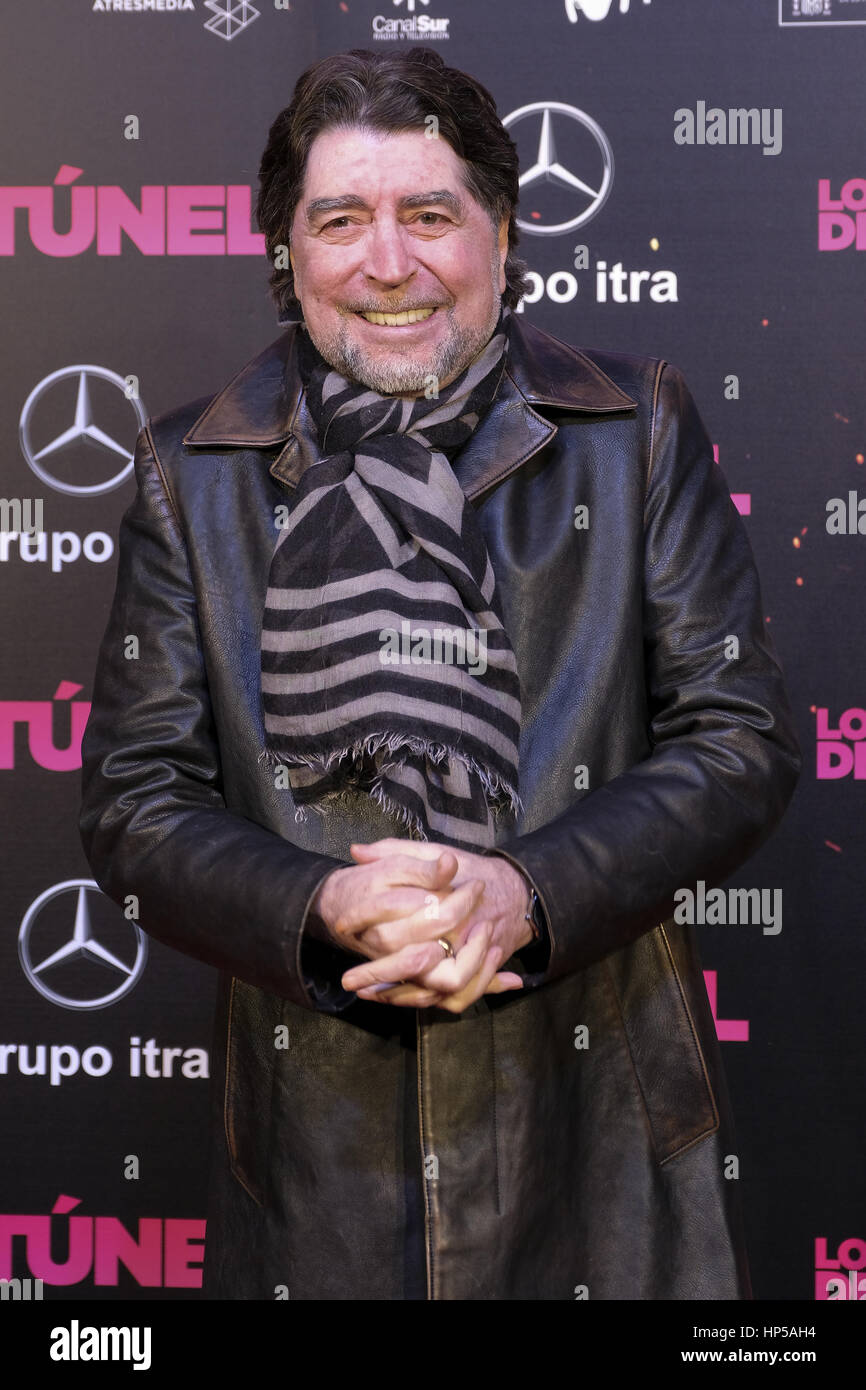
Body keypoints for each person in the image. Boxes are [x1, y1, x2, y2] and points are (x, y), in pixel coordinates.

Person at [80, 46, 801, 1301]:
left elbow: (737, 737)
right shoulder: (188, 473)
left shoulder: (632, 433)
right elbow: (136, 802)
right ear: (286, 253)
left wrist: (526, 891)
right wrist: (318, 907)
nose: (388, 263)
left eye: (429, 215)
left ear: (503, 234)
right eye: (341, 220)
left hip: (598, 1138)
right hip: (316, 1162)